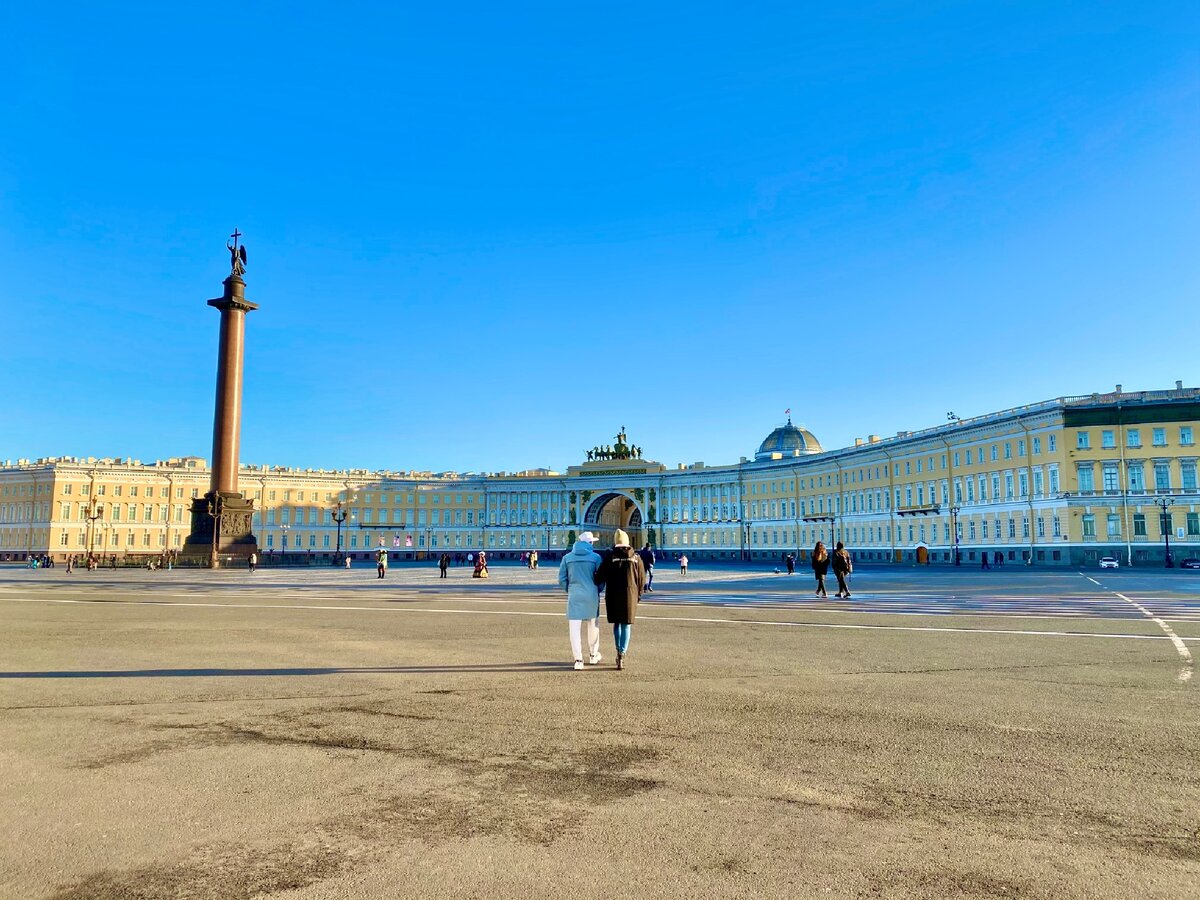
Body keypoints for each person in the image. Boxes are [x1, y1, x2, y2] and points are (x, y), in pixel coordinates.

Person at [594, 529, 645, 670]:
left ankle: (618, 651)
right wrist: (638, 595)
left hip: (613, 594)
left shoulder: (610, 556)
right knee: (626, 624)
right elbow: (641, 579)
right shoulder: (636, 557)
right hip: (630, 594)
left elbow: (599, 577)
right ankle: (622, 652)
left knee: (617, 623)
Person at [557, 531, 603, 670]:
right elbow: (601, 578)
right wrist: (597, 590)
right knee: (593, 626)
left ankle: (578, 660)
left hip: (574, 594)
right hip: (591, 594)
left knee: (574, 629)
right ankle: (593, 655)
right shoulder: (596, 558)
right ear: (589, 543)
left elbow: (561, 579)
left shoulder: (567, 557)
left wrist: (569, 589)